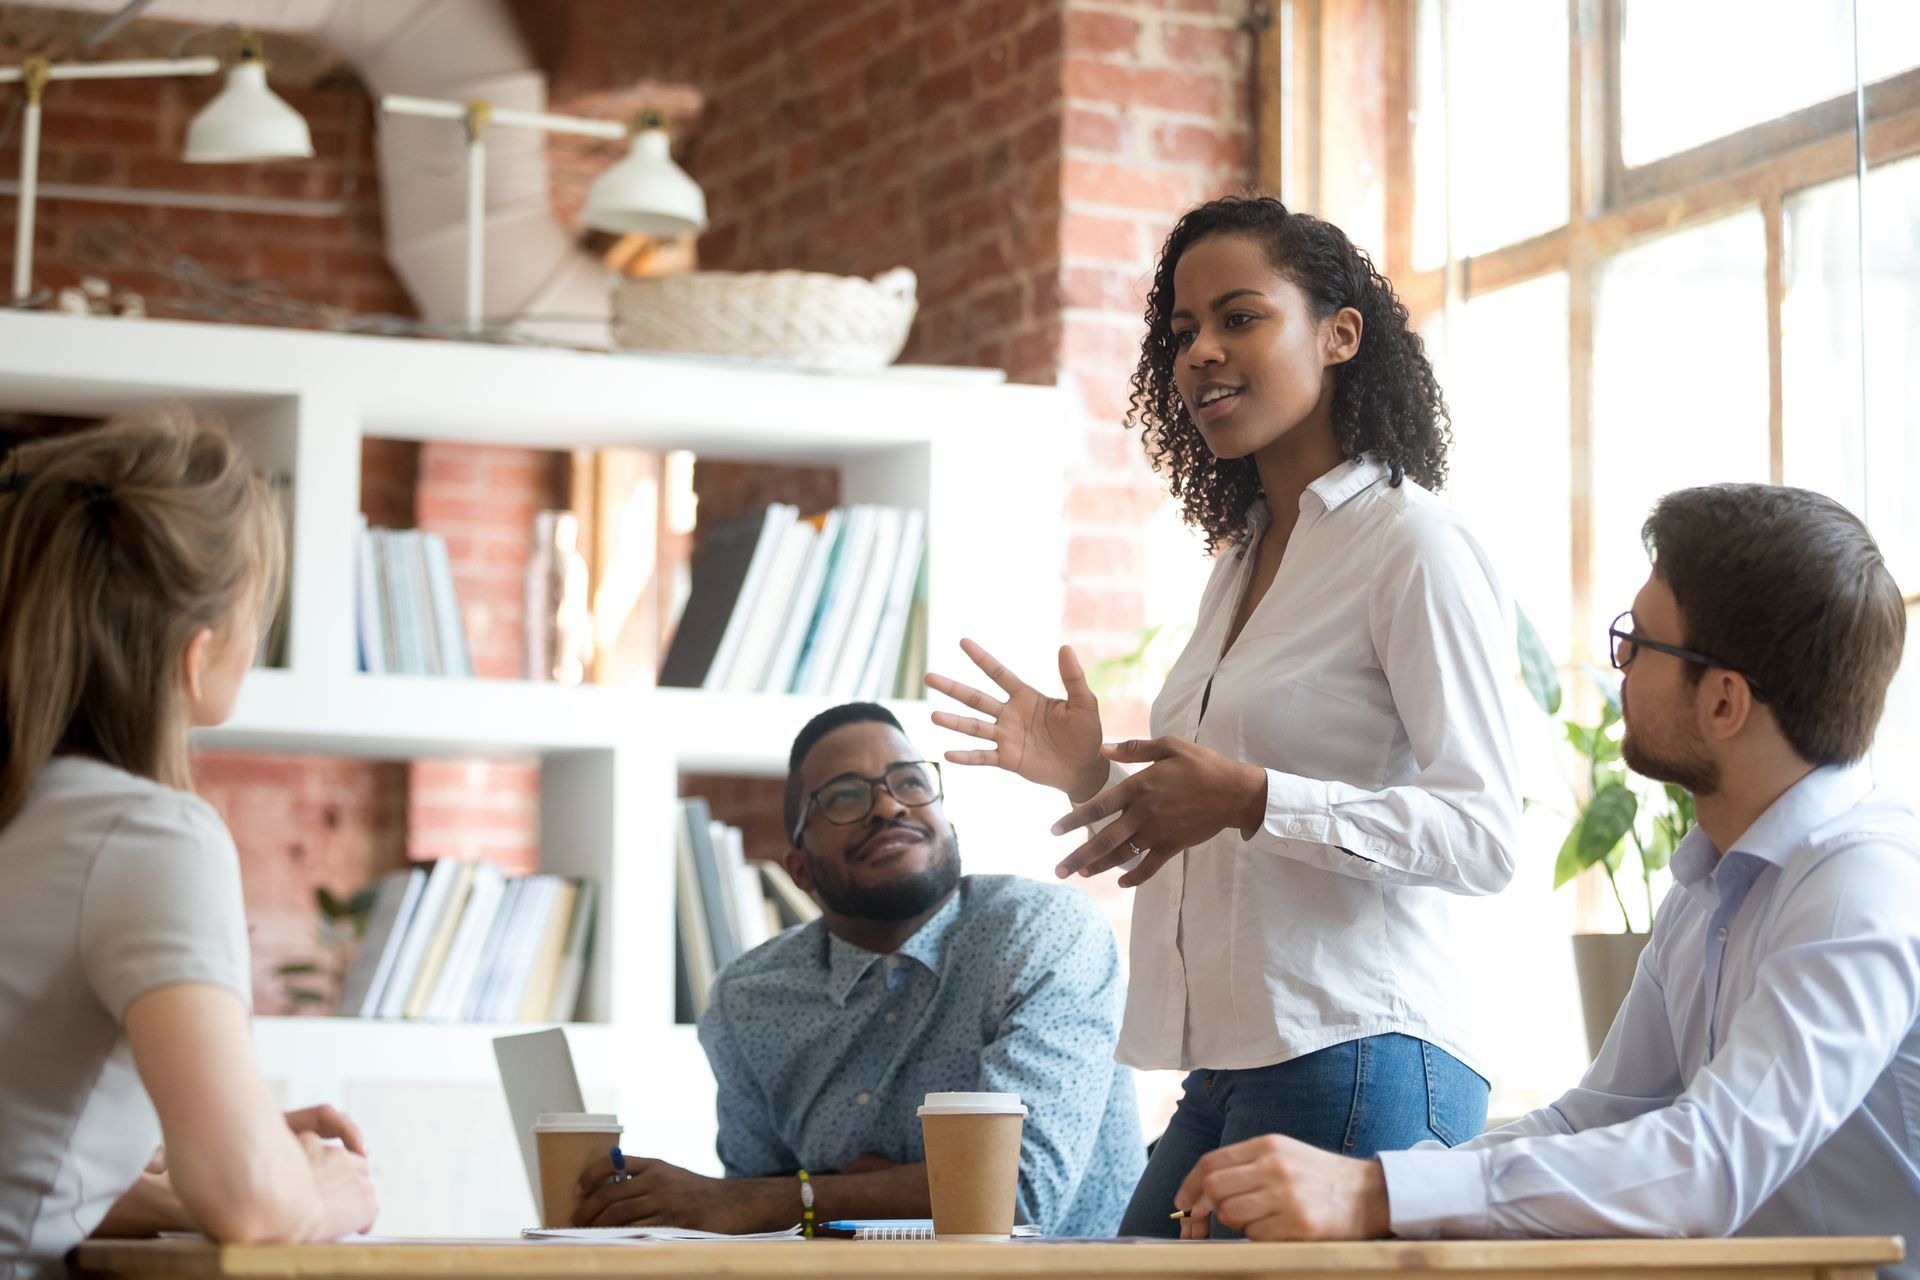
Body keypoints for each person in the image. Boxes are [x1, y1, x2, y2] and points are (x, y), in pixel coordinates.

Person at [925, 195, 1520, 1237]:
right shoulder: (1242, 562)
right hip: (1235, 1063)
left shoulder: (1411, 546)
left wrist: (1251, 796)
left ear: (1340, 334)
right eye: (1182, 331)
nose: (1200, 352)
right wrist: (1087, 777)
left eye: (1239, 317)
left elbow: (1483, 833)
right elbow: (1219, 818)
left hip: (1366, 1048)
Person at [1172, 484, 1919, 1268]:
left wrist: (1375, 1197)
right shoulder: (1712, 887)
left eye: (1639, 644)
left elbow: (1708, 1163)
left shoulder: (1861, 886)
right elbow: (1590, 1121)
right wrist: (1370, 1183)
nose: (1618, 665)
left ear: (1725, 702)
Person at [0, 415, 377, 1280]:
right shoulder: (148, 835)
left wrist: (208, 1171)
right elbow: (251, 1202)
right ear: (198, 655)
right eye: (256, 609)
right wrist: (316, 1190)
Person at [570, 702, 1143, 1237]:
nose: (889, 805)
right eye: (844, 797)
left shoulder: (1042, 932)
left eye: (912, 783)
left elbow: (1012, 1196)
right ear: (800, 869)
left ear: (950, 828)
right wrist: (841, 1195)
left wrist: (802, 1198)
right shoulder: (748, 999)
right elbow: (759, 1227)